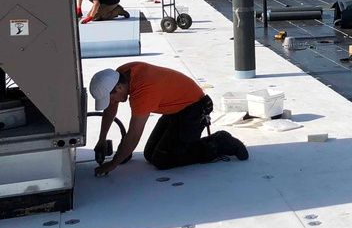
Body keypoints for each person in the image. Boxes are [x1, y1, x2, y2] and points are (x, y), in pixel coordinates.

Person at [89, 61, 248, 176]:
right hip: (176, 107)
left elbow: (133, 136)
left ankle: (220, 142)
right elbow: (111, 109)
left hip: (194, 110)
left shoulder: (143, 91)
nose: (113, 103)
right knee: (150, 154)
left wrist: (112, 165)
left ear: (119, 87)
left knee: (163, 160)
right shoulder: (121, 74)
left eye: (112, 98)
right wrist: (101, 140)